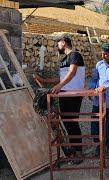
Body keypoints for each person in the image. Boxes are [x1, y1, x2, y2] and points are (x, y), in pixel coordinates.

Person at [34, 35, 85, 164]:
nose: (57, 46)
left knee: (72, 122)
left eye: (58, 43)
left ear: (63, 42)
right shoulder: (64, 59)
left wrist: (59, 86)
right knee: (67, 122)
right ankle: (74, 149)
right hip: (64, 94)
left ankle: (79, 152)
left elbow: (72, 72)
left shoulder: (75, 55)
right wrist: (44, 81)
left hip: (73, 95)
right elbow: (61, 78)